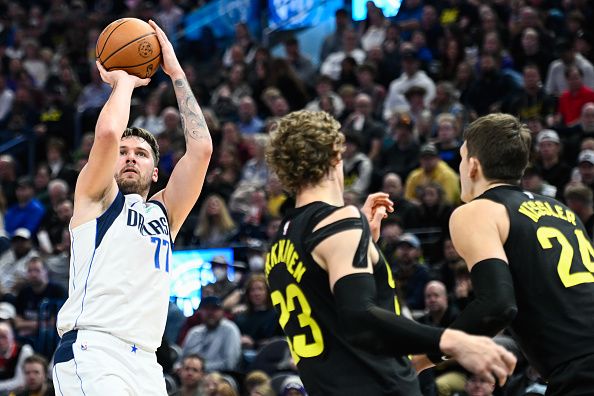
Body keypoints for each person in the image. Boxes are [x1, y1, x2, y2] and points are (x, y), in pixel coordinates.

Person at [264, 110, 516, 395]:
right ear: (336, 154)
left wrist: (365, 242)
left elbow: (327, 304)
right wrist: (452, 340)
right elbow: (360, 319)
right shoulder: (340, 222)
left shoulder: (279, 243)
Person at [52, 20, 213, 395]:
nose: (129, 157)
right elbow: (108, 133)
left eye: (140, 154)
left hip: (146, 361)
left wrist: (174, 71)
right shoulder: (95, 198)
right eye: (123, 153)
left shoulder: (164, 214)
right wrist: (124, 80)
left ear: (155, 172)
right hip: (94, 349)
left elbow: (202, 150)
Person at [417, 113, 594, 396]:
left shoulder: (477, 211)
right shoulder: (564, 212)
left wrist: (419, 360)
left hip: (580, 368)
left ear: (473, 166)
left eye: (462, 159)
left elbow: (497, 305)